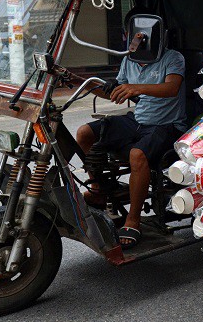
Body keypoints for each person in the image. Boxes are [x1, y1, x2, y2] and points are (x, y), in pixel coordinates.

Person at [76, 14, 187, 249]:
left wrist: (135, 87)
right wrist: (85, 83)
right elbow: (118, 92)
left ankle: (133, 219)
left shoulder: (172, 58)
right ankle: (98, 190)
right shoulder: (130, 60)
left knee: (137, 154)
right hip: (137, 120)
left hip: (165, 125)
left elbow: (171, 88)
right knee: (84, 133)